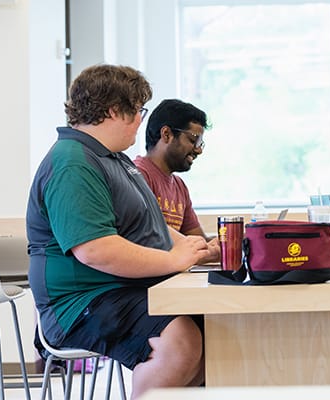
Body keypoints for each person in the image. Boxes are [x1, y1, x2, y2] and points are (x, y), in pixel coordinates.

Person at [27, 64, 219, 399]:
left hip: (118, 289)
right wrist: (174, 260)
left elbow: (152, 223)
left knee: (215, 333)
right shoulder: (73, 163)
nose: (141, 121)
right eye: (139, 110)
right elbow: (96, 250)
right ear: (116, 110)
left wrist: (194, 248)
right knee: (180, 342)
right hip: (80, 302)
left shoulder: (117, 160)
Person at [134, 99, 218, 261]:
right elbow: (148, 241)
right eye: (193, 140)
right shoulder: (137, 176)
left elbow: (199, 241)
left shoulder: (179, 186)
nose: (199, 150)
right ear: (166, 134)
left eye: (200, 143)